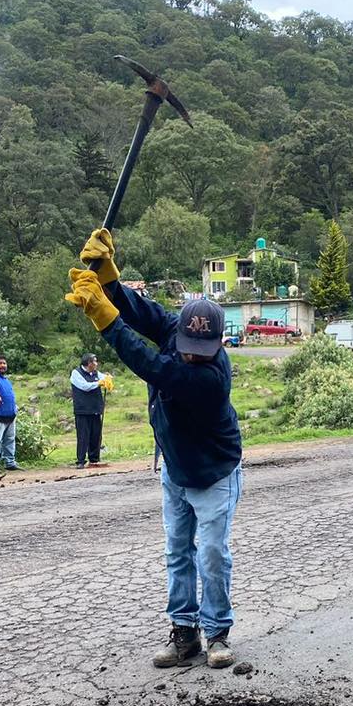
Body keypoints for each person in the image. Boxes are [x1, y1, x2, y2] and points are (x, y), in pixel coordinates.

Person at [65, 229, 243, 670]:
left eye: (203, 350)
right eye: (187, 346)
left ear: (219, 344)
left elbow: (145, 362)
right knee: (176, 551)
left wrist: (105, 319)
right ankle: (184, 636)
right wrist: (109, 281)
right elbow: (142, 312)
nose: (192, 355)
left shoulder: (207, 377)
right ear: (181, 330)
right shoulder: (175, 330)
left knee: (212, 554)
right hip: (174, 467)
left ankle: (217, 633)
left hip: (213, 472)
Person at [69, 353, 111, 469]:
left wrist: (108, 379)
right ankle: (81, 460)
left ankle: (94, 459)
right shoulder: (76, 373)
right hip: (82, 410)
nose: (96, 364)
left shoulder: (96, 373)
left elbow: (104, 378)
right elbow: (84, 386)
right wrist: (99, 383)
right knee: (83, 435)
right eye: (95, 362)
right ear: (89, 364)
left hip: (95, 408)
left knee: (96, 435)